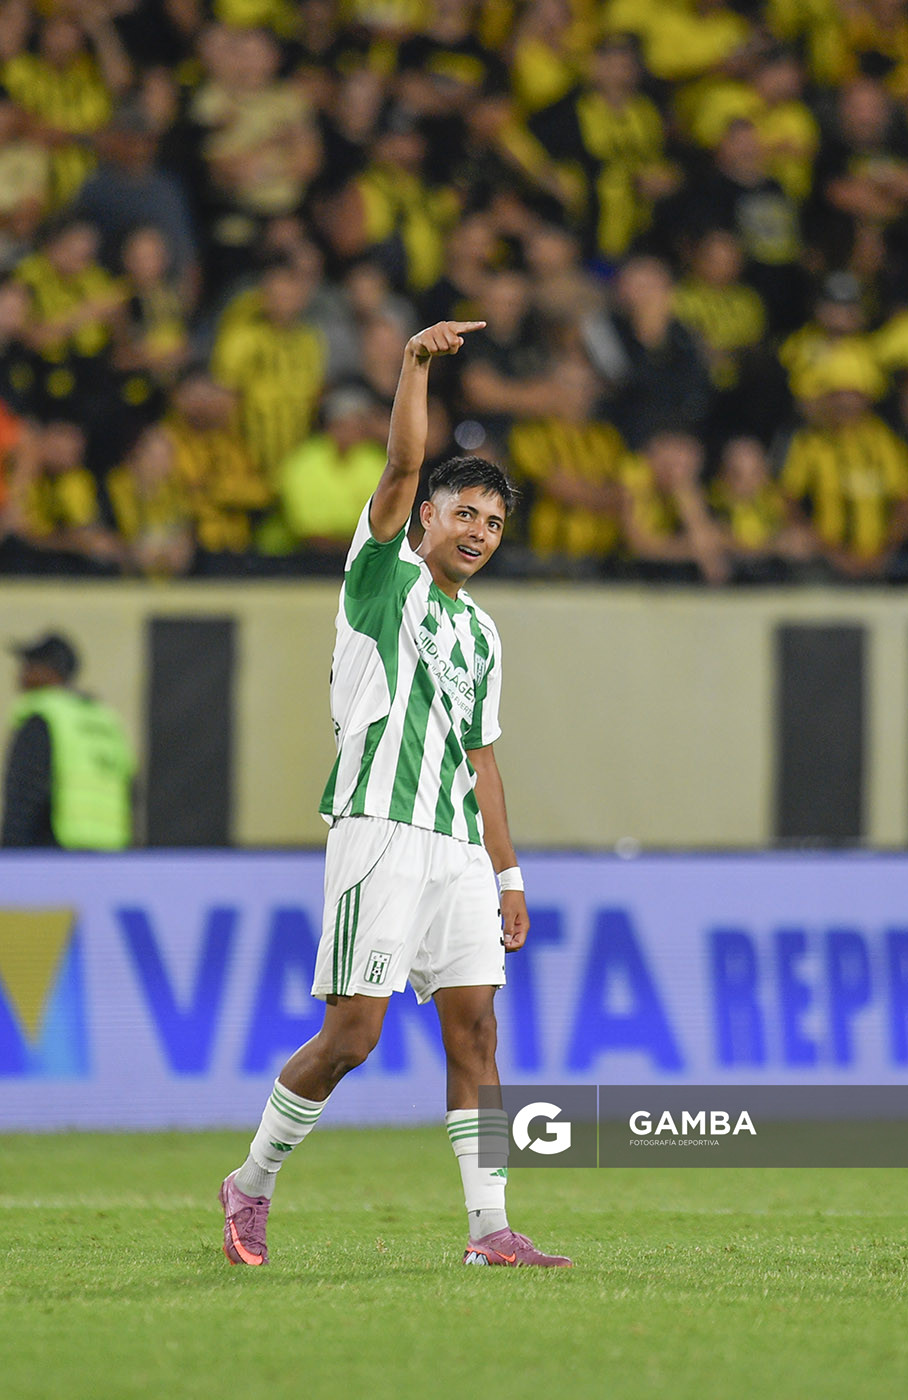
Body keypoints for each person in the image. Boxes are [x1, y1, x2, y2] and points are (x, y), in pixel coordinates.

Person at [219, 318, 571, 1270]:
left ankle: (489, 1230)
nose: (479, 533)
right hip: (378, 826)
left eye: (494, 524)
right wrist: (414, 368)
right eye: (465, 514)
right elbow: (402, 464)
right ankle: (250, 1185)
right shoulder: (382, 578)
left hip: (457, 847)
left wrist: (509, 875)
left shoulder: (485, 636)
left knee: (477, 1028)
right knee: (351, 1035)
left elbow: (482, 759)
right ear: (426, 518)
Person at [2, 631, 134, 848]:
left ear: (50, 672)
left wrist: (12, 857)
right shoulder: (107, 720)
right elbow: (130, 795)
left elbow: (23, 799)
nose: (20, 674)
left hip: (52, 856)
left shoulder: (42, 717)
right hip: (109, 858)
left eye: (30, 665)